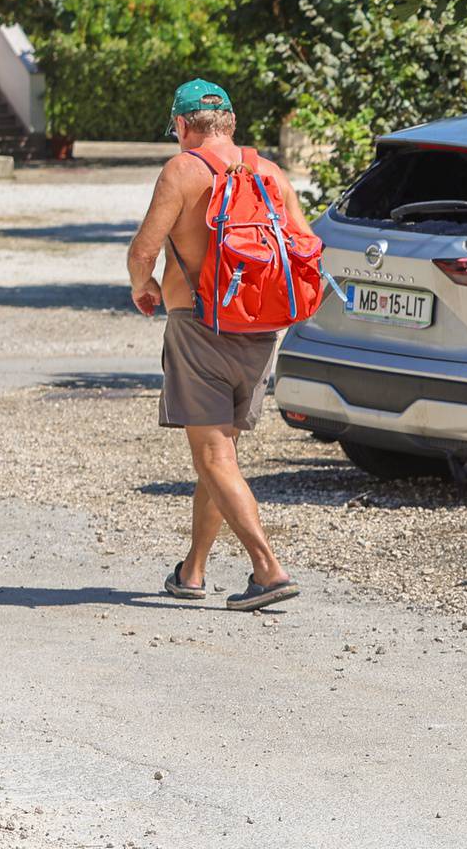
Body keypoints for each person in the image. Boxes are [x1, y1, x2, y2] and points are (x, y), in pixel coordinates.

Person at [126, 80, 304, 612]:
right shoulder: (269, 172)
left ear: (182, 126)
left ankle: (267, 569)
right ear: (229, 121)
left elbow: (144, 250)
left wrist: (144, 284)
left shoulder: (183, 170)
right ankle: (193, 571)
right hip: (260, 334)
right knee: (219, 453)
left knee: (212, 453)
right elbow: (302, 247)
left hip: (199, 327)